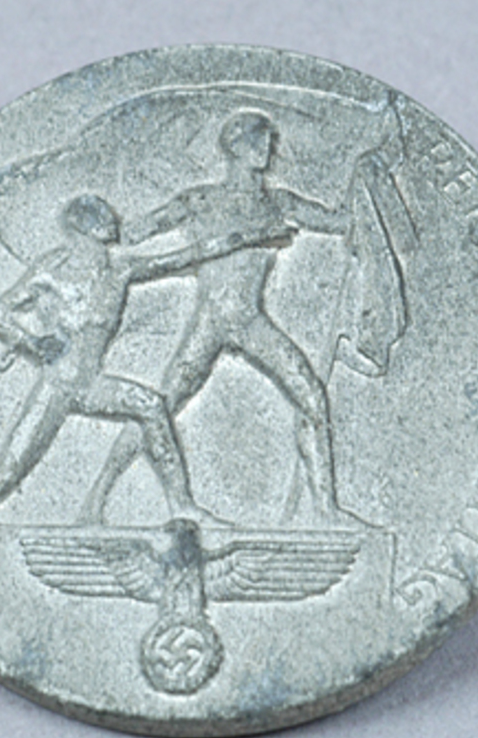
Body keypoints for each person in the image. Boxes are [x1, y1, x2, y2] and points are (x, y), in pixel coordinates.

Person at [0, 192, 295, 605]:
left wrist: (254, 236)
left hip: (92, 385)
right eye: (102, 223)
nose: (112, 227)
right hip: (57, 388)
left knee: (151, 405)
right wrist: (34, 342)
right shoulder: (51, 272)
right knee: (6, 474)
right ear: (84, 230)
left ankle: (182, 505)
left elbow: (188, 255)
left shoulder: (119, 270)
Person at [79, 110, 389, 528]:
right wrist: (102, 220)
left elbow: (339, 222)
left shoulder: (278, 204)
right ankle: (95, 499)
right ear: (235, 146)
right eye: (258, 140)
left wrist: (367, 180)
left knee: (313, 397)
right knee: (159, 409)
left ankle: (326, 511)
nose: (267, 148)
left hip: (249, 322)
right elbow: (132, 234)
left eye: (269, 141)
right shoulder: (200, 201)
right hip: (210, 323)